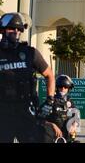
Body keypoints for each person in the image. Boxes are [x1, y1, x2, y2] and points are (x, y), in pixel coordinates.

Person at [0, 12, 56, 143]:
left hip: (26, 110)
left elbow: (50, 75)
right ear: (2, 30)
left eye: (19, 30)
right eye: (11, 28)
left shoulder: (30, 53)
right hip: (3, 112)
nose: (15, 32)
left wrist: (50, 100)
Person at [41, 74, 80, 143]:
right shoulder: (50, 102)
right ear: (57, 87)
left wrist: (74, 125)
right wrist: (52, 125)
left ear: (69, 88)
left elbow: (76, 116)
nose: (63, 89)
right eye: (60, 86)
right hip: (52, 137)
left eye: (65, 87)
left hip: (67, 137)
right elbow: (39, 119)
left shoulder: (70, 102)